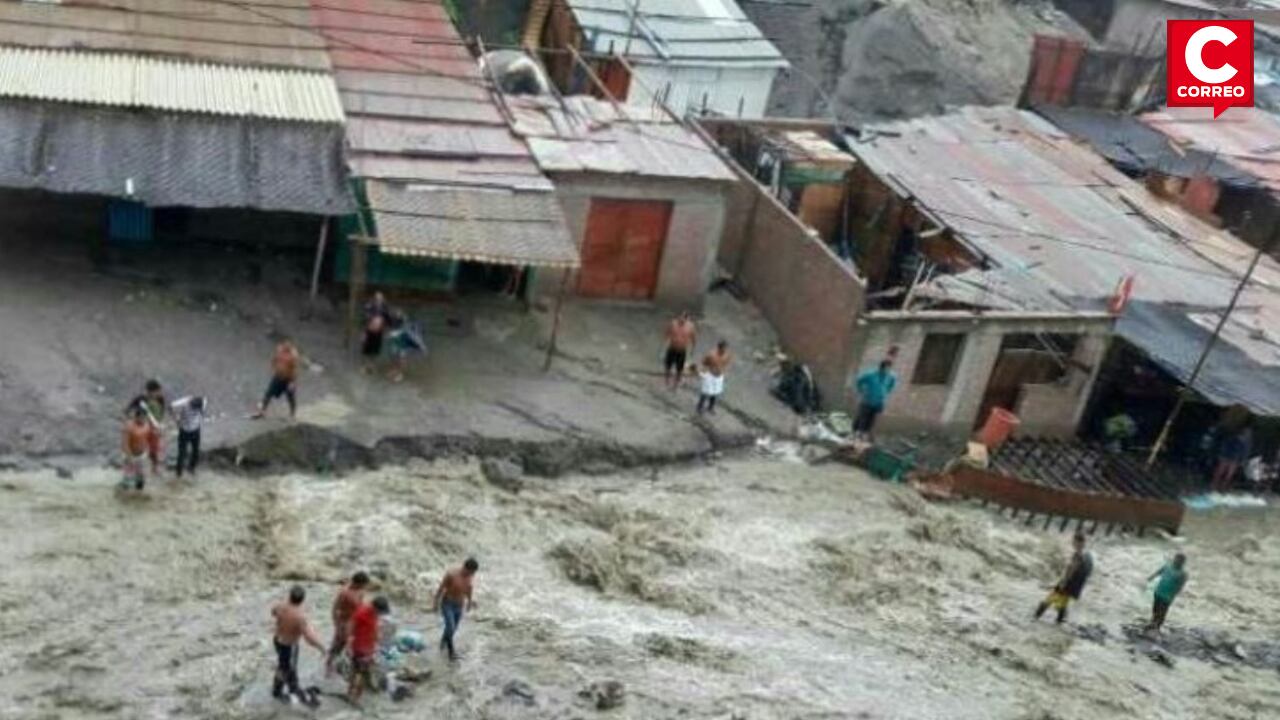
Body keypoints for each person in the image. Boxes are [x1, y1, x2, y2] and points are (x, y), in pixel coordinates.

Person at [271, 585, 324, 707]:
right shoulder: (300, 617)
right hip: (289, 645)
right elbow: (309, 638)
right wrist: (321, 647)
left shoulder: (280, 606)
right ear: (302, 600)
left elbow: (273, 612)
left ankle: (279, 688)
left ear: (290, 596)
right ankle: (288, 690)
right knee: (288, 667)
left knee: (283, 665)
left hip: (277, 640)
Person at [1034, 531, 1094, 624]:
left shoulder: (1078, 555)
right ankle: (1060, 623)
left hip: (1069, 583)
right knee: (1062, 603)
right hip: (1076, 585)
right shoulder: (1088, 555)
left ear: (1078, 542)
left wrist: (1063, 582)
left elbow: (1072, 569)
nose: (1073, 544)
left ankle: (1035, 618)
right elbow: (1088, 572)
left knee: (1049, 600)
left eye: (1074, 541)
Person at [347, 595, 391, 704]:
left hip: (367, 646)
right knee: (360, 673)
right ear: (376, 608)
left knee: (359, 670)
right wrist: (349, 645)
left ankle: (352, 692)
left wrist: (377, 639)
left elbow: (373, 628)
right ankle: (355, 697)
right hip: (360, 647)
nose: (381, 614)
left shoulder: (373, 613)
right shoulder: (361, 613)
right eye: (380, 611)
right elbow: (350, 627)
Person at [432, 558, 478, 661]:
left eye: (473, 573)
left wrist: (470, 601)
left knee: (452, 629)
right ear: (465, 568)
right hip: (448, 604)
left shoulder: (470, 576)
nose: (472, 574)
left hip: (459, 606)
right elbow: (441, 588)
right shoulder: (451, 574)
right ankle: (451, 652)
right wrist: (435, 603)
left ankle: (442, 645)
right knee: (451, 627)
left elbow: (469, 588)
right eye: (471, 572)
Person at [327, 571, 370, 673]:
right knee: (338, 646)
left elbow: (361, 605)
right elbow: (335, 609)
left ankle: (348, 668)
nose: (364, 587)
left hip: (354, 622)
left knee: (353, 646)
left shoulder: (361, 591)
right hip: (344, 622)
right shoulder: (344, 592)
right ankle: (329, 667)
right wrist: (337, 625)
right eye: (363, 584)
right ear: (358, 583)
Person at [124, 379, 167, 476]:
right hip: (142, 428)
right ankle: (133, 469)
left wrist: (160, 425)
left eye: (158, 391)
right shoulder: (141, 399)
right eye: (156, 392)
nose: (158, 394)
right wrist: (129, 418)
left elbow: (161, 413)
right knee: (138, 449)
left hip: (155, 429)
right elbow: (128, 410)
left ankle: (154, 468)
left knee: (154, 449)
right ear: (149, 391)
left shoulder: (160, 399)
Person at [253, 339, 300, 420]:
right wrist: (274, 367)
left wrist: (292, 382)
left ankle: (292, 415)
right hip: (278, 376)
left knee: (291, 397)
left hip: (288, 378)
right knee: (268, 393)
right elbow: (274, 359)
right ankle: (262, 411)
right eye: (285, 344)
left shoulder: (293, 355)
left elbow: (294, 369)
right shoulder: (279, 350)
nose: (286, 345)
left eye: (288, 344)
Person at [852, 360, 898, 440]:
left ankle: (865, 433)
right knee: (863, 417)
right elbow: (859, 380)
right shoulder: (871, 374)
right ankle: (857, 432)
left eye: (889, 368)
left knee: (872, 418)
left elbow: (892, 384)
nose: (888, 371)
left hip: (879, 401)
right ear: (881, 368)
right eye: (886, 368)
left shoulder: (891, 376)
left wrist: (887, 391)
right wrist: (861, 390)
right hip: (867, 400)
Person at [1146, 553, 1188, 634]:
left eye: (1179, 560)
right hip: (1158, 591)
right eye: (1176, 559)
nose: (1177, 561)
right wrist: (1150, 578)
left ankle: (1157, 627)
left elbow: (1180, 586)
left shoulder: (1182, 574)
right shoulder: (1167, 566)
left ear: (1182, 562)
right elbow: (1159, 572)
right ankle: (1153, 622)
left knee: (1162, 611)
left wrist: (1174, 595)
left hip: (1167, 596)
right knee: (1155, 608)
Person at [170, 395, 207, 478]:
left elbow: (202, 412)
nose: (194, 409)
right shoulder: (184, 402)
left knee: (196, 451)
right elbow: (170, 406)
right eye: (193, 407)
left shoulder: (204, 402)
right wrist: (176, 419)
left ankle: (191, 468)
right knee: (182, 453)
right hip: (184, 431)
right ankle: (178, 473)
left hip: (196, 430)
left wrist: (200, 419)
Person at [1211, 421, 1253, 492]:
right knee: (1220, 471)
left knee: (1229, 474)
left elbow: (1244, 452)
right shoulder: (1233, 437)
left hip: (1235, 458)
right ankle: (1214, 485)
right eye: (1247, 432)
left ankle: (1222, 487)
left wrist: (1242, 460)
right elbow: (1225, 445)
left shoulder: (1246, 442)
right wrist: (1222, 454)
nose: (1248, 434)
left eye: (1249, 432)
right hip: (1227, 456)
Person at [696, 340, 732, 415]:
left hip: (719, 376)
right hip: (710, 375)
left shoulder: (727, 355)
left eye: (726, 348)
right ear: (719, 348)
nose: (725, 350)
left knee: (716, 392)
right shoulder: (711, 355)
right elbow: (704, 362)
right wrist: (703, 371)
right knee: (705, 392)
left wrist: (723, 371)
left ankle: (710, 407)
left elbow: (726, 364)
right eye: (723, 348)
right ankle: (699, 406)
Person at [663, 312, 697, 390]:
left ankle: (675, 384)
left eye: (683, 319)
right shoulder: (673, 324)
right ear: (678, 317)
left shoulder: (690, 327)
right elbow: (667, 333)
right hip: (672, 348)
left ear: (686, 320)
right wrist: (665, 343)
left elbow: (694, 339)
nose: (681, 320)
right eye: (680, 318)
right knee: (668, 365)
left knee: (679, 369)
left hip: (681, 350)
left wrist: (693, 349)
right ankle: (667, 381)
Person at [120, 408, 151, 491]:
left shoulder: (147, 425)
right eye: (141, 417)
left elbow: (148, 439)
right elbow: (125, 443)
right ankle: (124, 491)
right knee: (128, 477)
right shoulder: (129, 426)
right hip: (130, 454)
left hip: (142, 454)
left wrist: (148, 451)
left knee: (141, 477)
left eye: (144, 417)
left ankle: (139, 492)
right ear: (136, 417)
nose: (143, 419)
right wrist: (129, 457)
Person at [361, 293, 389, 374]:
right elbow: (364, 321)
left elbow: (388, 321)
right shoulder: (369, 307)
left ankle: (372, 366)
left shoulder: (385, 309)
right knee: (367, 350)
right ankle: (366, 365)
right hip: (369, 331)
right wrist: (363, 333)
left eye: (380, 299)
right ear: (374, 299)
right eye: (377, 299)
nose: (379, 300)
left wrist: (384, 328)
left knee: (376, 350)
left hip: (379, 332)